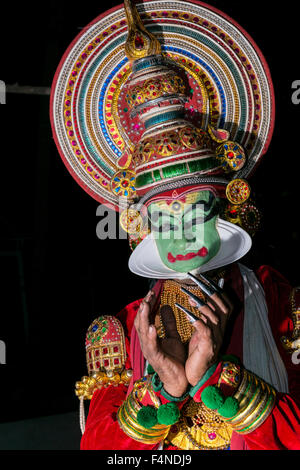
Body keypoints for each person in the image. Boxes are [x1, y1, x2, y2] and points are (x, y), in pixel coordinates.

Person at [51, 0, 300, 450]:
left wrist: (218, 380)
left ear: (226, 204)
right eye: (163, 220)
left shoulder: (284, 305)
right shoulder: (123, 331)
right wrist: (164, 389)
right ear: (139, 226)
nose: (181, 234)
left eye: (194, 211)